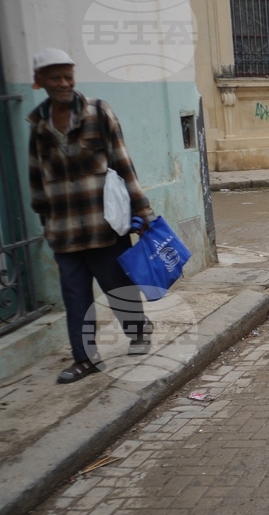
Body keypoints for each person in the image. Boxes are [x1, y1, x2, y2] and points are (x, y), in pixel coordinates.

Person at [27, 48, 155, 384]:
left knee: (117, 287)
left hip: (105, 226)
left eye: (68, 76)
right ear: (39, 81)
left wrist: (143, 212)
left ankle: (139, 329)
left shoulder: (99, 112)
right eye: (55, 77)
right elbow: (36, 176)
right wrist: (44, 219)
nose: (64, 83)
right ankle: (85, 359)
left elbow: (124, 165)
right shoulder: (38, 125)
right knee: (75, 296)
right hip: (64, 230)